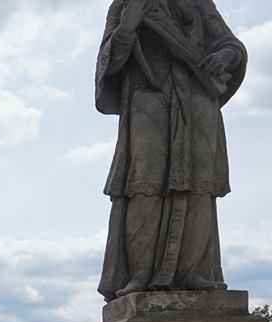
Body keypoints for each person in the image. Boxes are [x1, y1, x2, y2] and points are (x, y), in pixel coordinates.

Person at [95, 0, 247, 301]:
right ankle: (140, 274)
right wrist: (126, 29)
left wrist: (223, 55)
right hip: (147, 100)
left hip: (197, 100)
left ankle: (195, 271)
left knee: (200, 186)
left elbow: (231, 44)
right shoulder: (124, 4)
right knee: (144, 184)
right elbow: (108, 66)